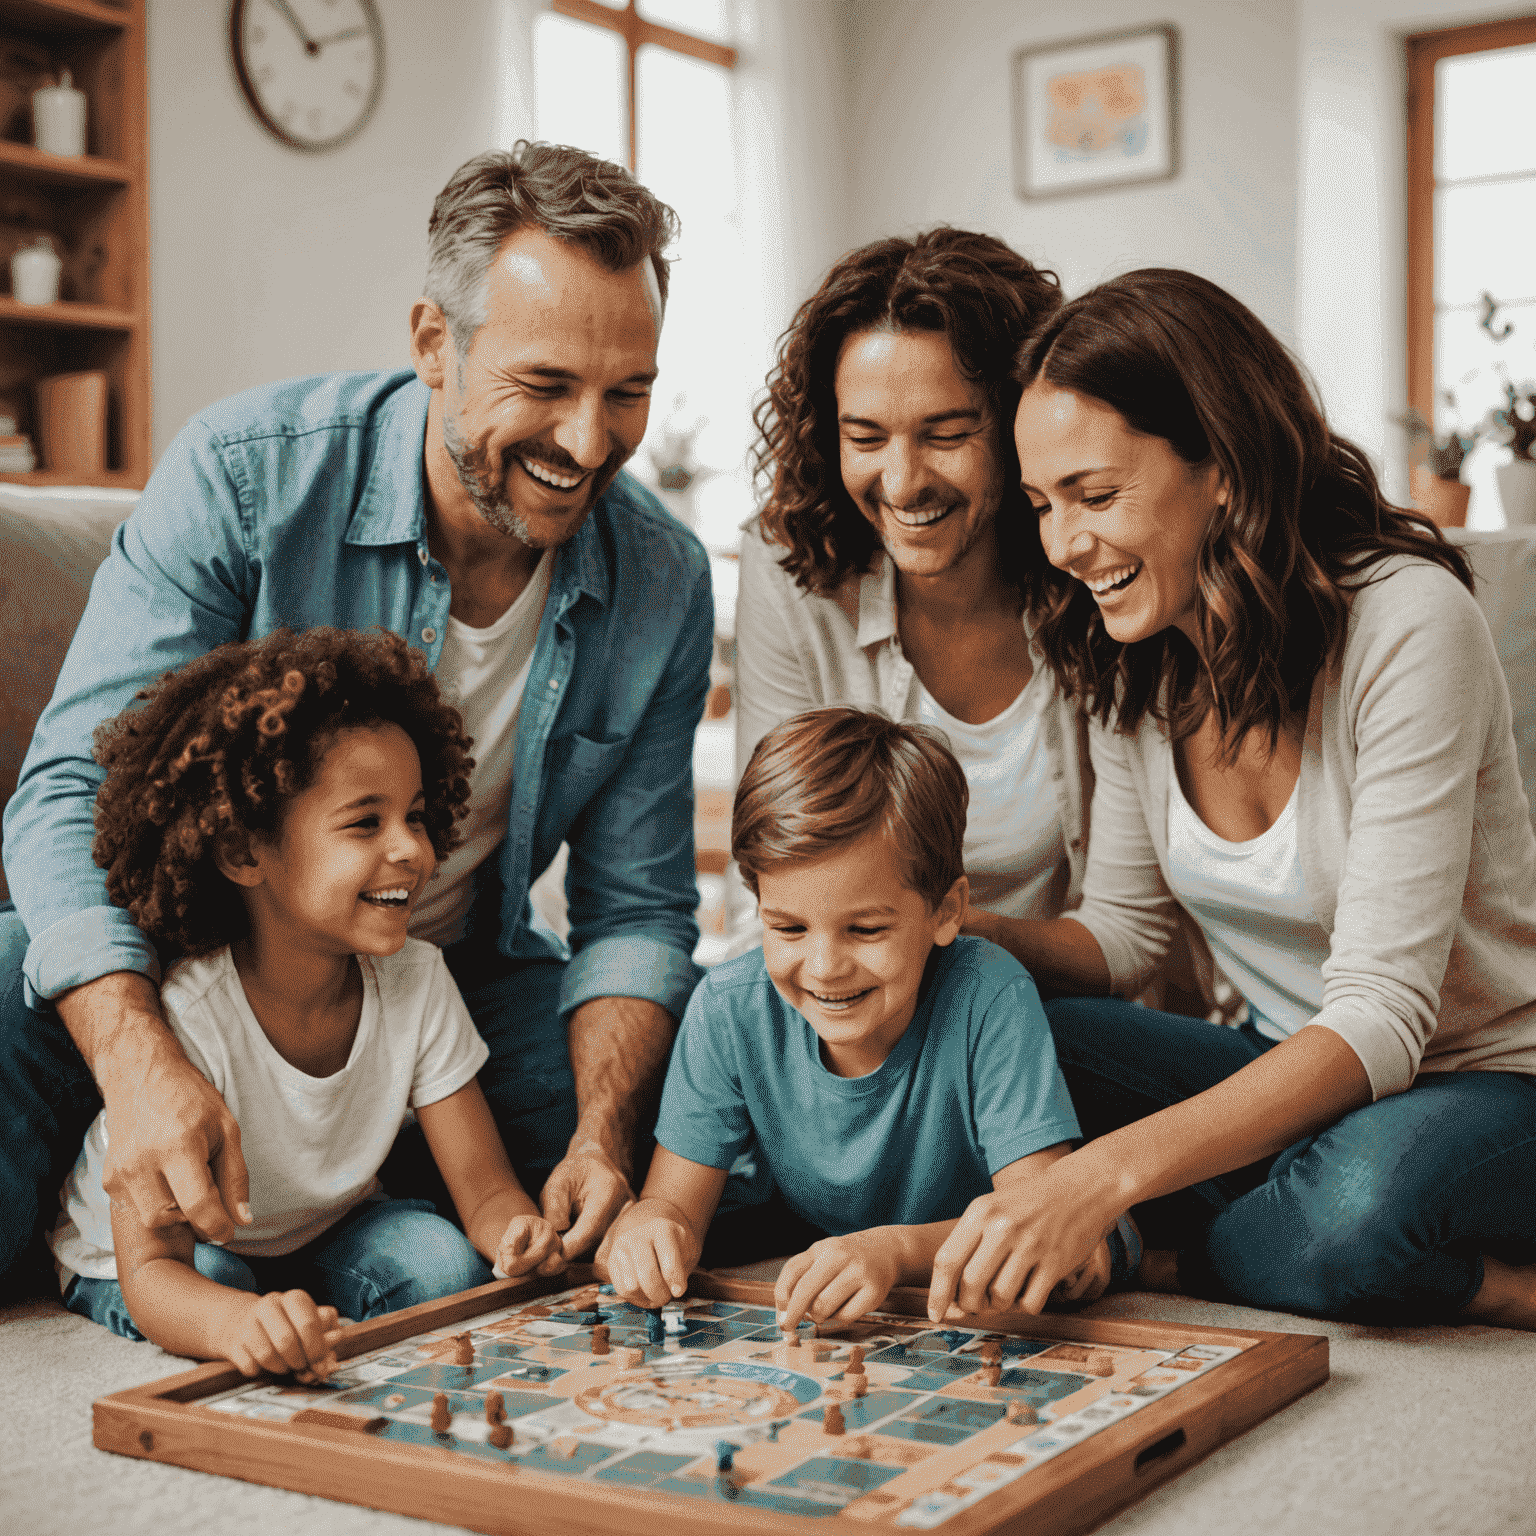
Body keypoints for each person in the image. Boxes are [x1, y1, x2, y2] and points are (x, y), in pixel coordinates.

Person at [0, 141, 712, 1292]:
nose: (590, 445)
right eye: (545, 387)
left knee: (718, 1083)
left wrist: (602, 1138)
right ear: (435, 343)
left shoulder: (663, 578)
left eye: (627, 391)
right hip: (198, 963)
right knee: (7, 977)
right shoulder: (247, 480)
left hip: (442, 991)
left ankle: (349, 1210)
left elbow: (636, 910)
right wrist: (139, 1064)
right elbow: (66, 793)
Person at [925, 269, 1536, 1329]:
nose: (1065, 547)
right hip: (1282, 1067)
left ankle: (1472, 1282)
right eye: (1042, 505)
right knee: (992, 1028)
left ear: (1221, 465)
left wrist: (1101, 1178)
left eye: (1096, 495)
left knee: (1353, 1207)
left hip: (1481, 1080)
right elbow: (1123, 940)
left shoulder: (1407, 625)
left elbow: (1383, 1018)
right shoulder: (1132, 656)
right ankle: (1252, 1229)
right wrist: (938, 931)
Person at [52, 628, 564, 1374]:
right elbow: (154, 1273)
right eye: (366, 822)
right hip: (145, 1256)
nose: (412, 850)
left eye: (416, 816)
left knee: (443, 1264)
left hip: (321, 1229)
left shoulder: (418, 980)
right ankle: (260, 1302)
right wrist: (240, 1322)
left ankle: (279, 1295)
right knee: (217, 1284)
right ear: (243, 851)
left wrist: (518, 1229)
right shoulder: (192, 1012)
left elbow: (484, 1187)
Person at [599, 707, 1139, 1325]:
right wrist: (654, 1229)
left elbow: (1037, 1218)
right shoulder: (727, 1008)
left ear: (945, 911)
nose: (825, 966)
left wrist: (893, 1251)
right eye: (788, 927)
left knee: (1078, 1269)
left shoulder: (989, 994)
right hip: (850, 1242)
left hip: (1042, 1256)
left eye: (865, 929)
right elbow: (673, 1207)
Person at [736, 230, 1093, 933]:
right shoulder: (787, 568)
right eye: (865, 439)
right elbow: (779, 869)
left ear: (1020, 420)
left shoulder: (1091, 569)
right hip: (850, 1002)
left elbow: (1134, 928)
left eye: (947, 433)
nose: (902, 484)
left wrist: (943, 944)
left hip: (1062, 1006)